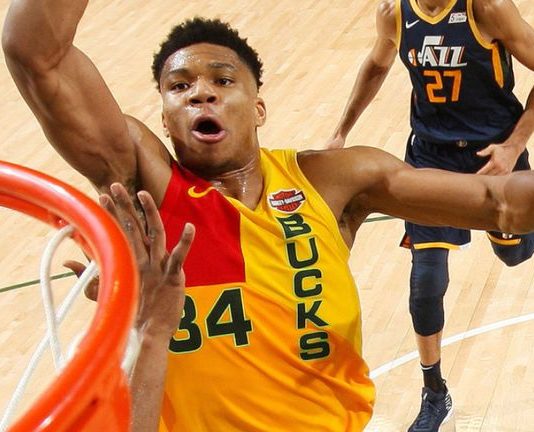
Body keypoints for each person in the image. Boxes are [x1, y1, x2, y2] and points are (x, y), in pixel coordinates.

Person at [4, 2, 534, 432]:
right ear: (164, 118)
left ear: (258, 107)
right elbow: (34, 52)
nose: (201, 92)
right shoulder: (145, 181)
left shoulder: (333, 180)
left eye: (222, 80)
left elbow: (501, 202)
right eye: (179, 87)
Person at [327, 0, 534, 430]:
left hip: (492, 156)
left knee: (514, 255)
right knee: (426, 282)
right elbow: (376, 65)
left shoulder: (487, 9)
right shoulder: (393, 14)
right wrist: (341, 130)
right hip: (429, 159)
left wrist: (514, 146)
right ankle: (435, 392)